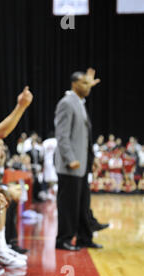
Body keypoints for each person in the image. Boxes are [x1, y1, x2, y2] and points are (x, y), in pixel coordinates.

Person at [54, 68, 102, 251]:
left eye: (88, 84)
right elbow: (62, 135)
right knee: (68, 205)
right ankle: (63, 240)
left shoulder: (79, 103)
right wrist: (70, 158)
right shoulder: (67, 103)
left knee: (83, 204)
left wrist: (92, 157)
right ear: (74, 84)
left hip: (82, 163)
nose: (87, 87)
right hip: (71, 165)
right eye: (84, 83)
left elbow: (85, 136)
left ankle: (84, 237)